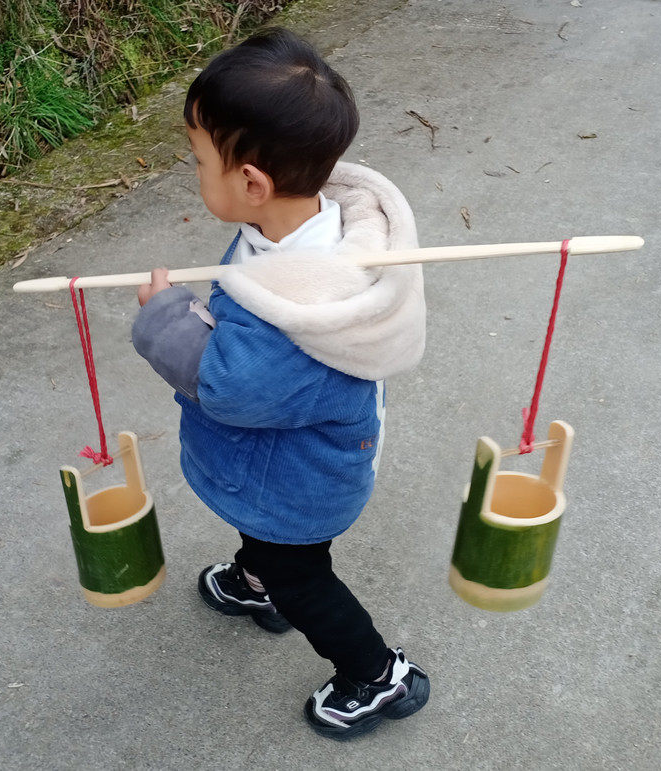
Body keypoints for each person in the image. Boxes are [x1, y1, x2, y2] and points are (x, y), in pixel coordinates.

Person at [132, 27, 429, 739]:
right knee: (268, 546)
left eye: (198, 159)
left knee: (303, 577)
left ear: (252, 183)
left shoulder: (300, 311)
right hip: (280, 458)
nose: (193, 170)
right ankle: (258, 578)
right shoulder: (300, 224)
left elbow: (228, 385)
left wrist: (166, 320)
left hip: (296, 482)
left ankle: (377, 674)